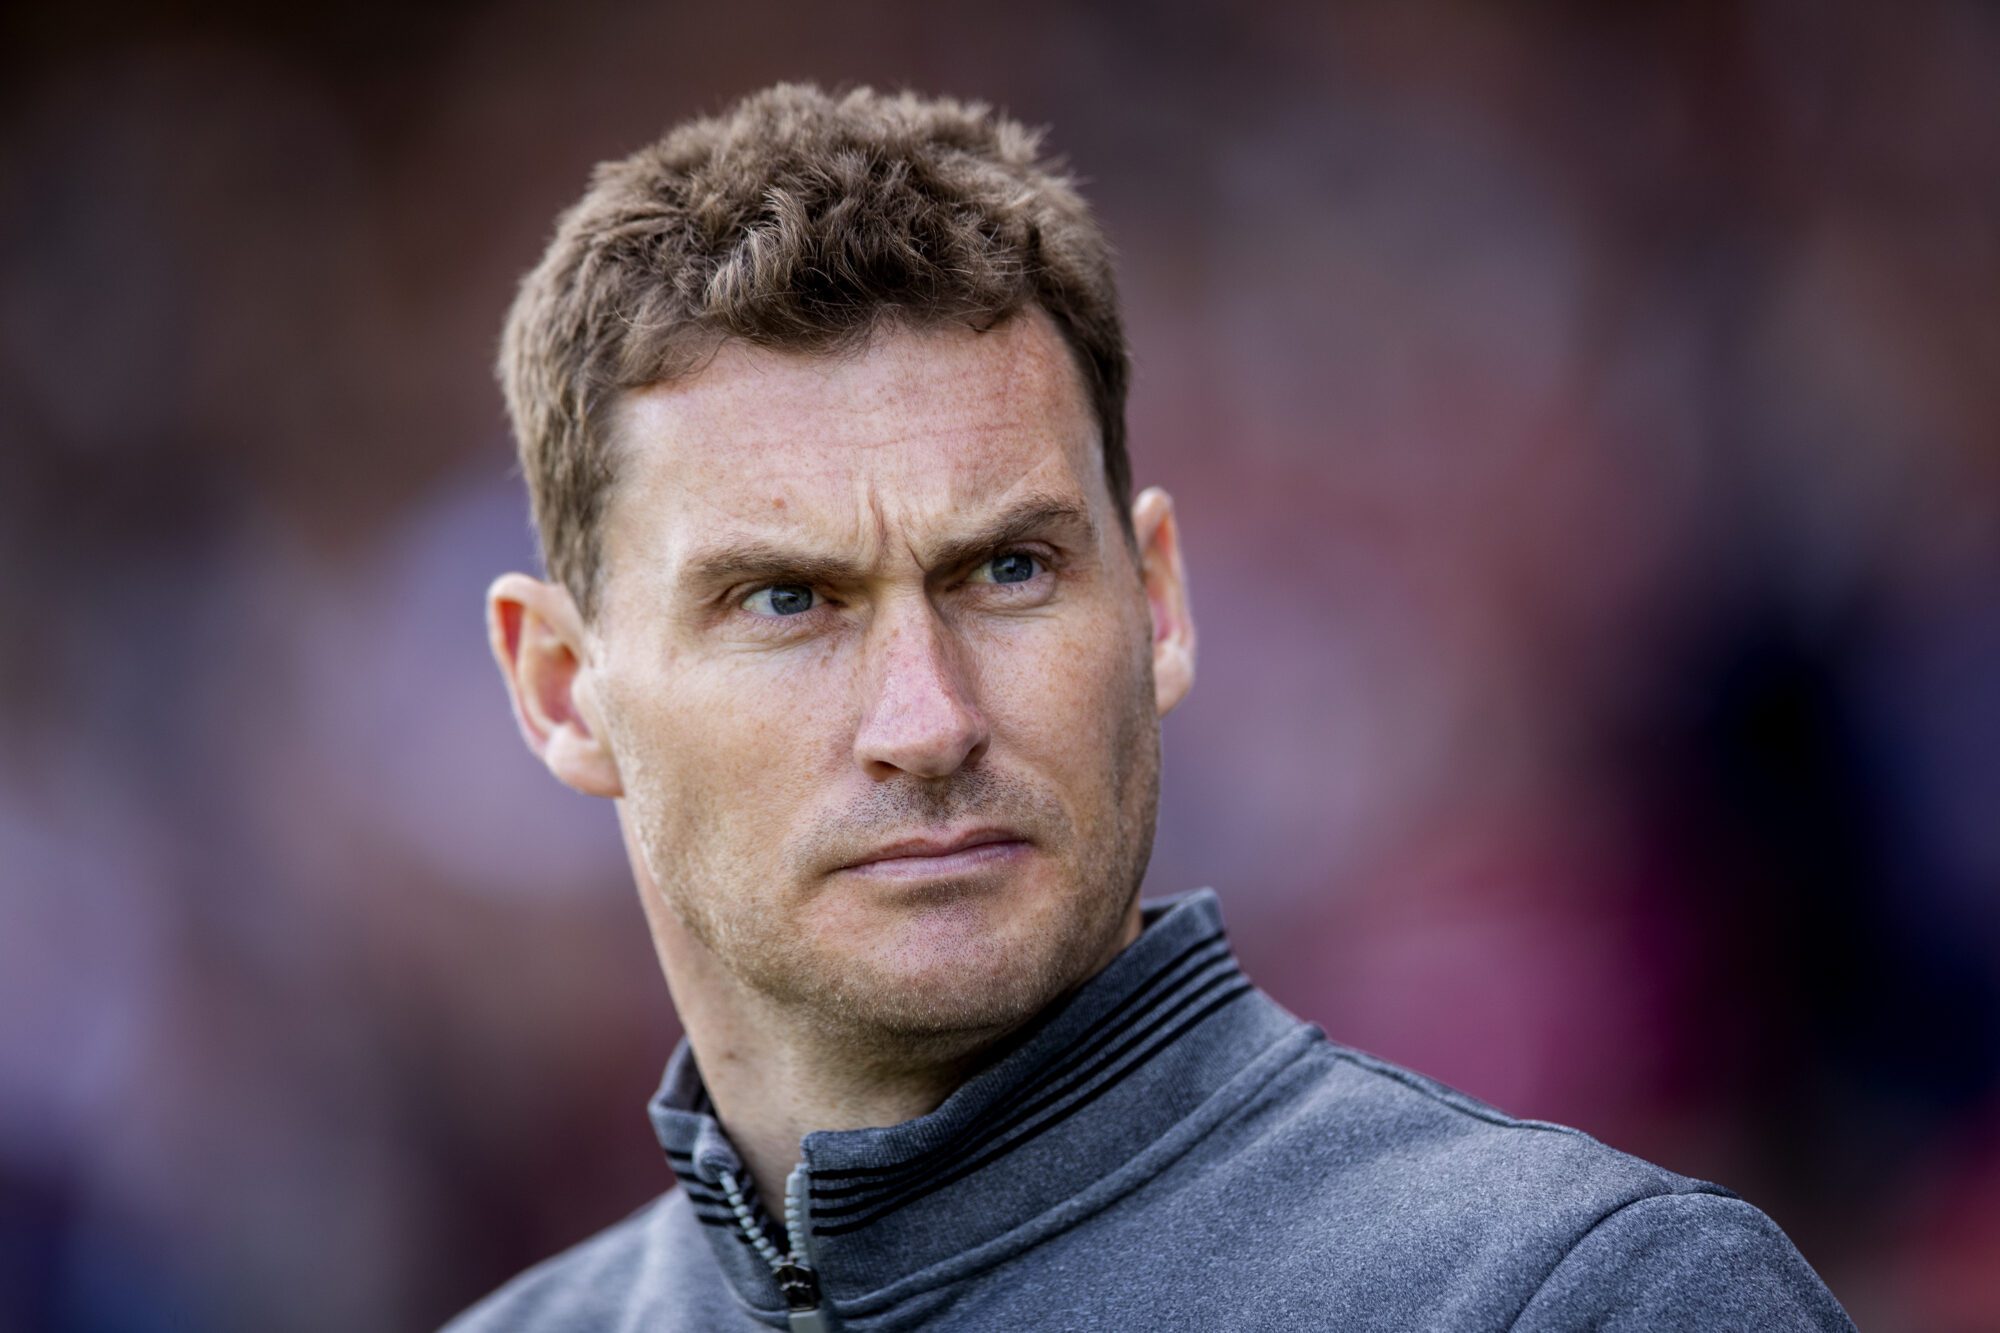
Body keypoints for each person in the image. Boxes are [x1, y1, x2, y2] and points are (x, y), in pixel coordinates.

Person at [449, 83, 1854, 1332]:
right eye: (785, 600)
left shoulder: (1587, 1300)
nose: (928, 720)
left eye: (1009, 570)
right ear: (562, 691)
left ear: (1160, 603)